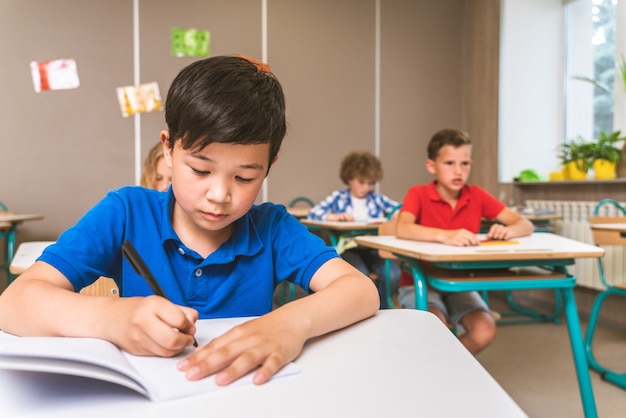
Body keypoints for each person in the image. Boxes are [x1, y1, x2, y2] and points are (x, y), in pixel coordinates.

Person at [0, 56, 379, 386]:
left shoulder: (273, 227)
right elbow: (14, 303)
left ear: (268, 167)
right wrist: (112, 319)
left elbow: (360, 291)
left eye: (245, 177)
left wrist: (290, 324)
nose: (220, 194)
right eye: (200, 170)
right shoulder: (127, 212)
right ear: (168, 148)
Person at [395, 128, 533, 355]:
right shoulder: (418, 193)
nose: (458, 171)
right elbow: (403, 227)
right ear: (432, 166)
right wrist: (443, 235)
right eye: (449, 163)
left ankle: (444, 369)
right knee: (434, 328)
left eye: (465, 163)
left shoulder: (476, 194)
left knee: (484, 330)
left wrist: (508, 231)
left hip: (459, 282)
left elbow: (525, 224)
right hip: (418, 282)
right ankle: (441, 372)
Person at [308, 151, 401, 308]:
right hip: (349, 249)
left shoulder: (377, 198)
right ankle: (363, 309)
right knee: (360, 277)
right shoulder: (338, 197)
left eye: (370, 183)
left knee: (393, 274)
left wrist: (398, 215)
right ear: (350, 178)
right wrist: (334, 217)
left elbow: (401, 208)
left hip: (373, 248)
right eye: (361, 182)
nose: (366, 187)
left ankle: (382, 309)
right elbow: (314, 213)